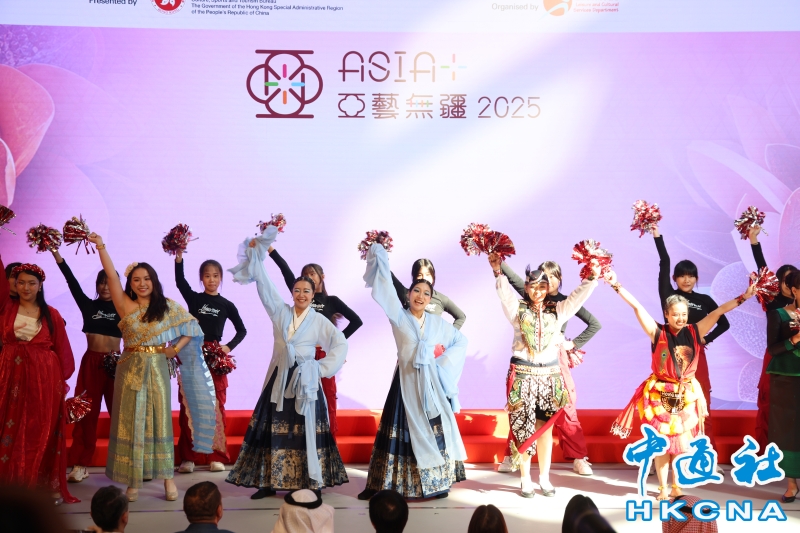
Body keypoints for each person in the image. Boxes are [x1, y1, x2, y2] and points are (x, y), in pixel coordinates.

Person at [87, 233, 218, 502]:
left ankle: (168, 479)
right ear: (130, 284)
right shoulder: (124, 305)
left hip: (157, 367)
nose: (142, 283)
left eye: (146, 278)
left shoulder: (166, 307)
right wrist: (101, 245)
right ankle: (133, 481)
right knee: (132, 422)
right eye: (136, 279)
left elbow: (192, 326)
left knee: (160, 421)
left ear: (154, 281)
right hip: (129, 368)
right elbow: (111, 275)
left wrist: (175, 349)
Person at [225, 225, 349, 499]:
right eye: (297, 290)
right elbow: (265, 285)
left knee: (306, 431)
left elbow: (340, 344)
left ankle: (311, 481)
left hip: (305, 381)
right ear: (292, 293)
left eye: (307, 291)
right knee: (272, 428)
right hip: (280, 378)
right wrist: (257, 254)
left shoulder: (319, 321)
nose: (301, 294)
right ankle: (268, 482)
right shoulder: (280, 313)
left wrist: (319, 368)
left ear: (314, 294)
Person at [610, 270, 755, 500]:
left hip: (685, 394)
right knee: (662, 445)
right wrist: (616, 284)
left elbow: (718, 311)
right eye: (676, 314)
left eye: (684, 314)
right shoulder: (657, 332)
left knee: (679, 444)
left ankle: (677, 486)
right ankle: (662, 488)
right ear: (666, 314)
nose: (680, 318)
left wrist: (744, 297)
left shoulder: (695, 331)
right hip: (660, 394)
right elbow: (637, 307)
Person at [357, 243, 468, 500]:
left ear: (430, 299)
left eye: (426, 293)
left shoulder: (437, 323)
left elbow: (460, 341)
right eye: (416, 291)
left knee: (432, 431)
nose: (420, 296)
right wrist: (380, 255)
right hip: (404, 383)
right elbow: (384, 287)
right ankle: (380, 485)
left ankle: (437, 484)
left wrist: (440, 365)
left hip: (429, 385)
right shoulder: (398, 316)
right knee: (398, 433)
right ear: (408, 294)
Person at [491, 253, 602, 498]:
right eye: (533, 286)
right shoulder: (517, 309)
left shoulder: (558, 310)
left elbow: (577, 297)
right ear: (526, 287)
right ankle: (525, 479)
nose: (538, 291)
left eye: (543, 286)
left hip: (550, 377)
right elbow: (504, 293)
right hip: (523, 375)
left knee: (545, 429)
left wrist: (592, 277)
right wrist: (498, 271)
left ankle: (544, 478)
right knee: (524, 428)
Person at [0, 258, 78, 504]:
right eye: (21, 282)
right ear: (13, 284)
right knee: (9, 429)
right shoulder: (5, 308)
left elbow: (63, 352)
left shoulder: (52, 314)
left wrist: (58, 386)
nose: (26, 287)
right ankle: (11, 486)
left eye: (31, 283)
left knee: (40, 431)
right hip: (10, 378)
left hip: (43, 382)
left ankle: (43, 486)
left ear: (40, 286)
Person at [268, 243, 362, 436]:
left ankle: (329, 439)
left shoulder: (332, 301)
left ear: (322, 277)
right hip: (303, 355)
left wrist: (336, 346)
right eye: (305, 275)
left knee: (328, 396)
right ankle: (302, 438)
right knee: (300, 396)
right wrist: (270, 249)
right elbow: (285, 270)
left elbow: (356, 321)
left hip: (323, 356)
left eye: (312, 274)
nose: (309, 278)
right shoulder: (302, 297)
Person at [652, 225, 729, 453]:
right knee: (668, 405)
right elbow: (664, 261)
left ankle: (706, 454)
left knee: (702, 403)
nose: (687, 280)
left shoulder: (704, 300)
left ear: (696, 278)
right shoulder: (669, 296)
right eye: (682, 276)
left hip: (696, 357)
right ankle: (665, 454)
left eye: (691, 275)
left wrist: (706, 339)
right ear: (674, 278)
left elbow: (724, 323)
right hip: (669, 356)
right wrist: (656, 234)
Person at [49, 249, 122, 483]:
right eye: (101, 283)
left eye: (109, 282)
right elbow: (71, 282)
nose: (105, 287)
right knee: (85, 413)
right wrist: (57, 255)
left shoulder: (124, 308)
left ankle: (126, 463)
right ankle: (80, 464)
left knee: (121, 414)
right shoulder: (88, 305)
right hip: (91, 363)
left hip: (117, 365)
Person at [175, 251, 247, 473]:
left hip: (215, 359)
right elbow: (180, 282)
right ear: (202, 278)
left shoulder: (227, 304)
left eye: (215, 276)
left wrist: (228, 347)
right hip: (192, 355)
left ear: (221, 278)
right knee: (189, 406)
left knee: (216, 407)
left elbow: (242, 330)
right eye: (207, 276)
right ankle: (188, 458)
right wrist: (179, 258)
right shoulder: (195, 299)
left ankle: (216, 456)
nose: (212, 279)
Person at [748, 225, 797, 449]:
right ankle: (765, 450)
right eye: (786, 280)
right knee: (770, 404)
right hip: (776, 357)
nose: (790, 284)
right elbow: (762, 268)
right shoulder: (773, 300)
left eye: (793, 280)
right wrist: (754, 240)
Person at [765, 270, 800, 503]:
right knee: (788, 430)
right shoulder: (778, 314)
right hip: (787, 379)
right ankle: (791, 484)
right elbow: (773, 349)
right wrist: (794, 339)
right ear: (794, 290)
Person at [392, 258, 467, 329]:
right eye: (420, 275)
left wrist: (448, 335)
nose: (424, 278)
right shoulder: (406, 294)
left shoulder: (442, 299)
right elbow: (388, 274)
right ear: (414, 278)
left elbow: (461, 317)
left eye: (427, 274)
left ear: (432, 276)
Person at [0, 261, 21, 351]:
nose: (17, 281)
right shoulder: (3, 304)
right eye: (13, 276)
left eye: (20, 277)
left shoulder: (40, 309)